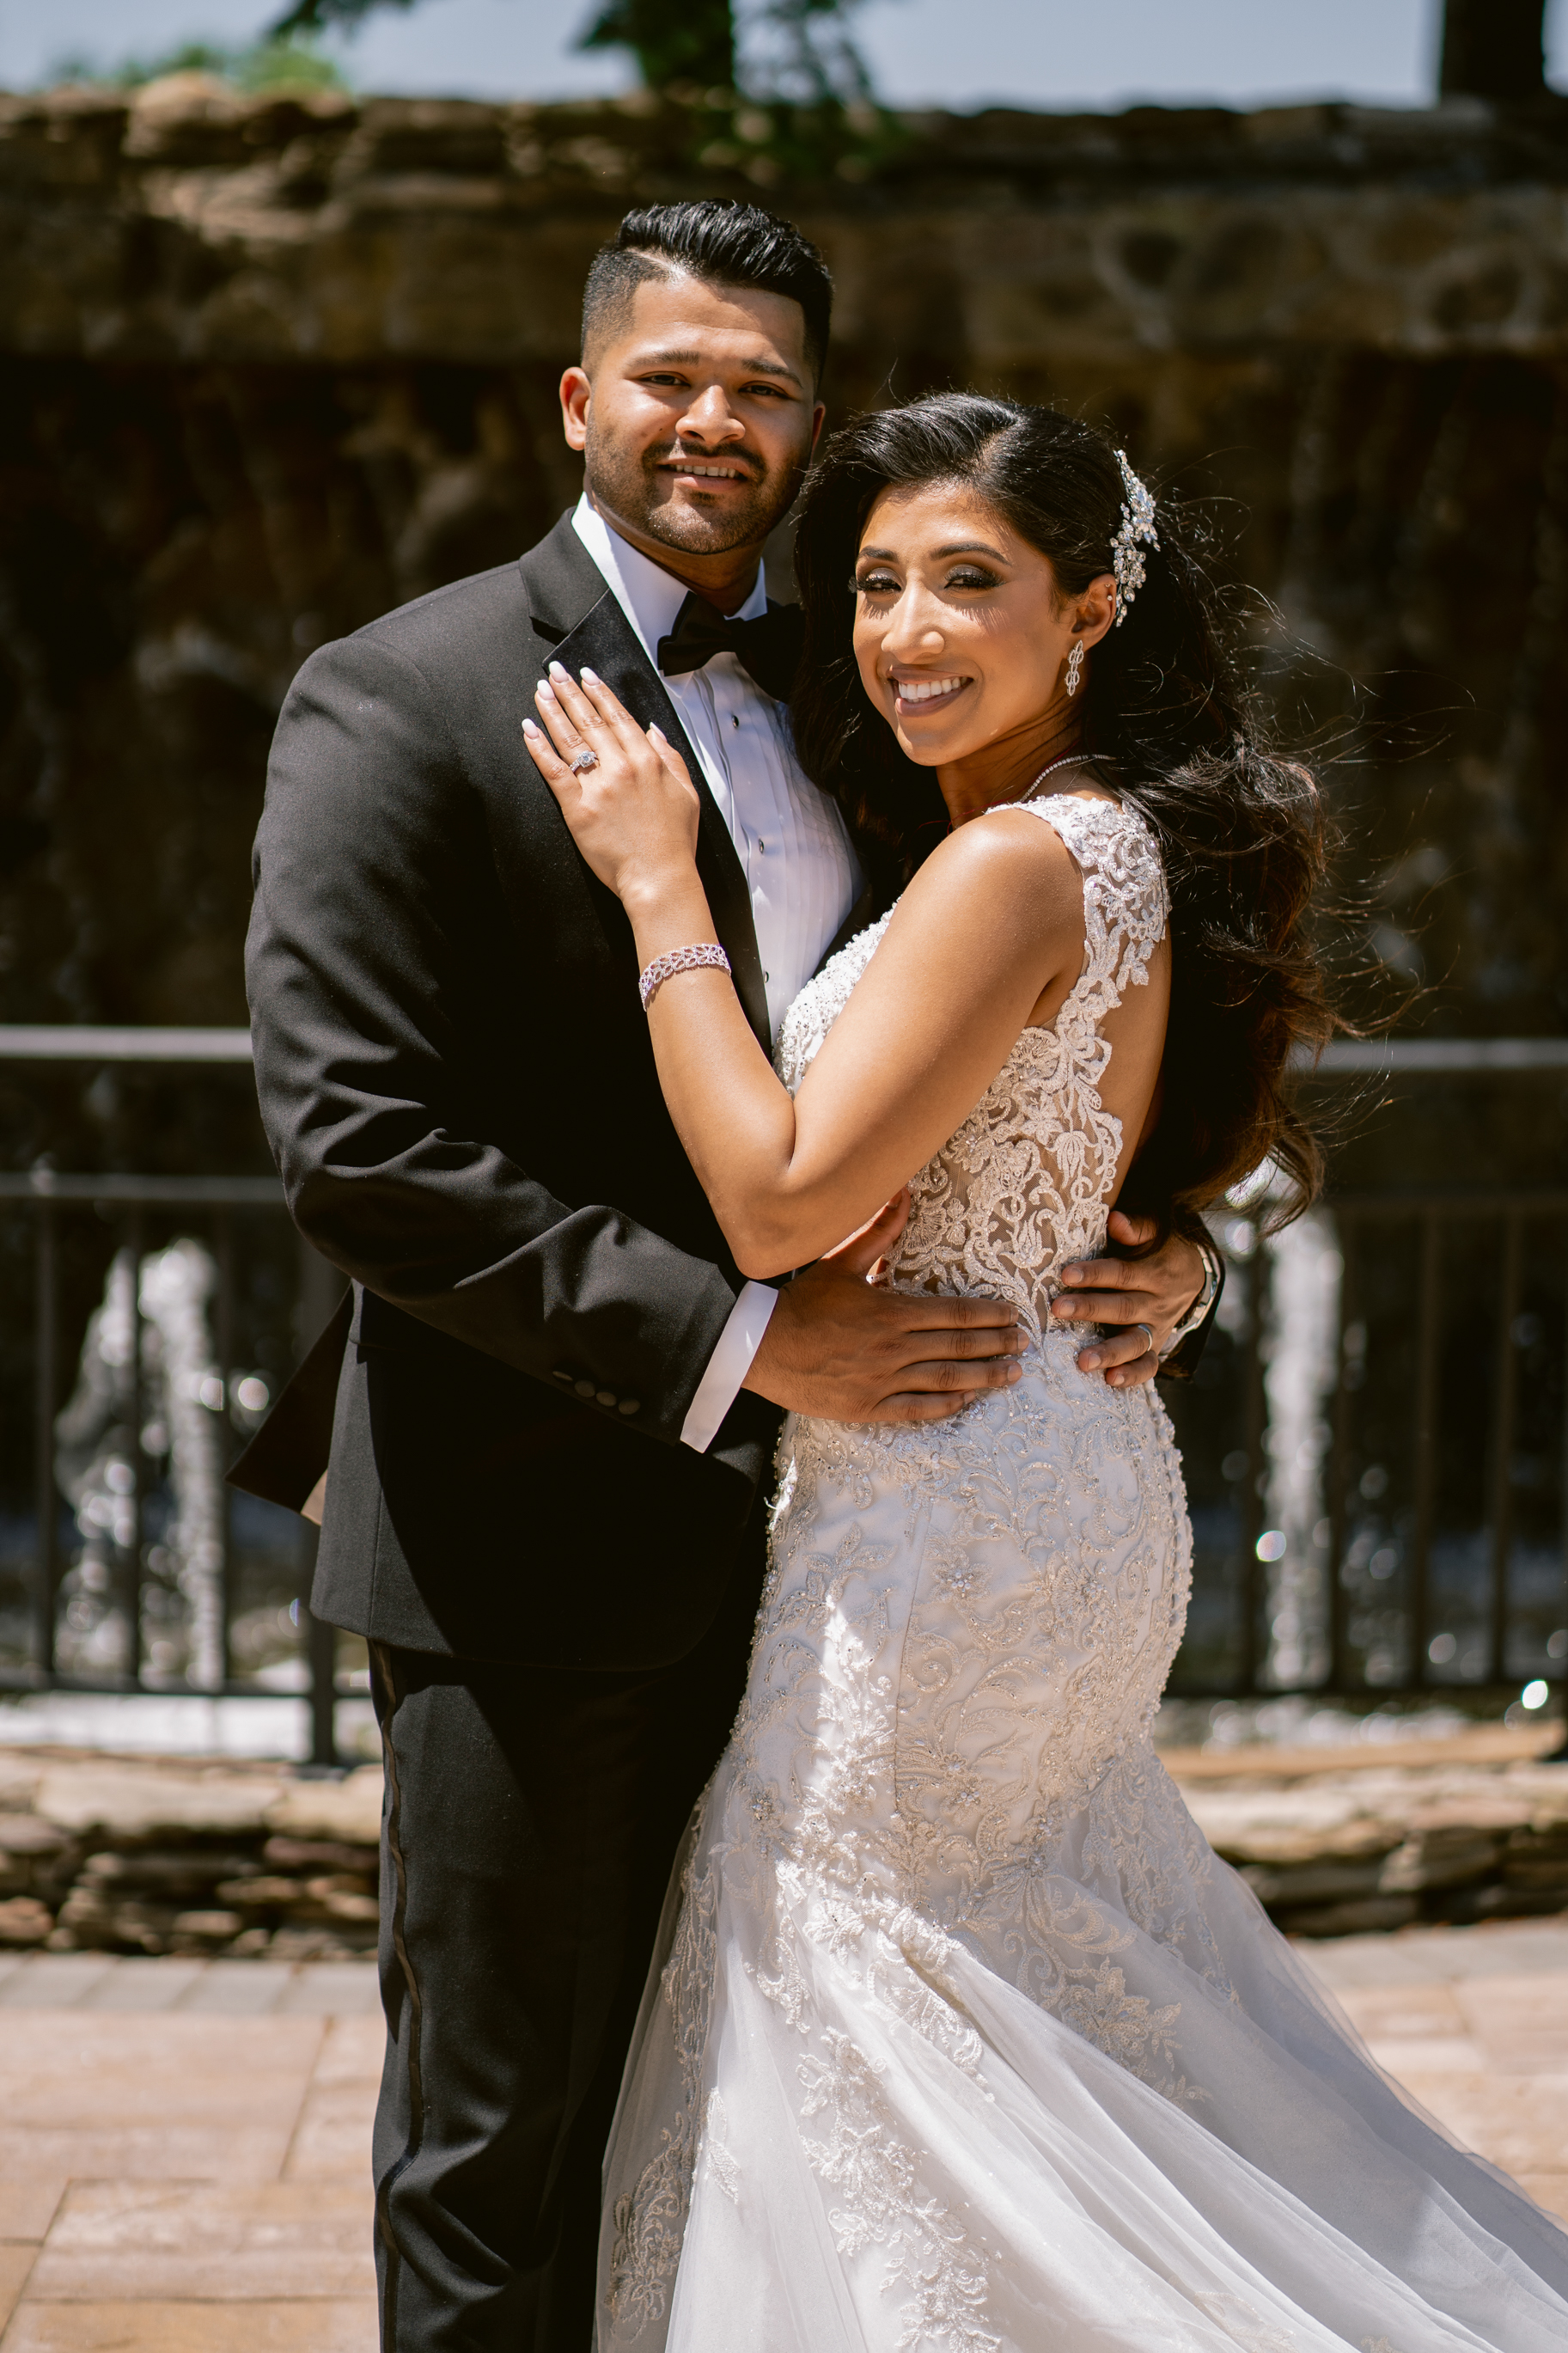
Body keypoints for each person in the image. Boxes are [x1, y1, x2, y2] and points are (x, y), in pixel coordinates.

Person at [235, 206, 1217, 2351]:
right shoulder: (400, 695)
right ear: (577, 399)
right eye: (668, 376)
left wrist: (1159, 1240)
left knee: (755, 2129)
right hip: (533, 1532)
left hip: (863, 1573)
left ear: (812, 421)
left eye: (761, 386)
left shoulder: (882, 694)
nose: (712, 419)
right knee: (507, 2152)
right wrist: (753, 1342)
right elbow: (359, 1152)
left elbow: (1021, 1030)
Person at [528, 392, 1568, 2351]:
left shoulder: (1015, 858)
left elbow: (780, 1203)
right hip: (1051, 1474)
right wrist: (1174, 1254)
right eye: (873, 584)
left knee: (852, 1963)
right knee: (995, 1989)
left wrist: (660, 887)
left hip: (942, 1520)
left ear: (1090, 608)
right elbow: (1074, 1153)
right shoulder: (1108, 836)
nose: (904, 630)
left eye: (966, 581)